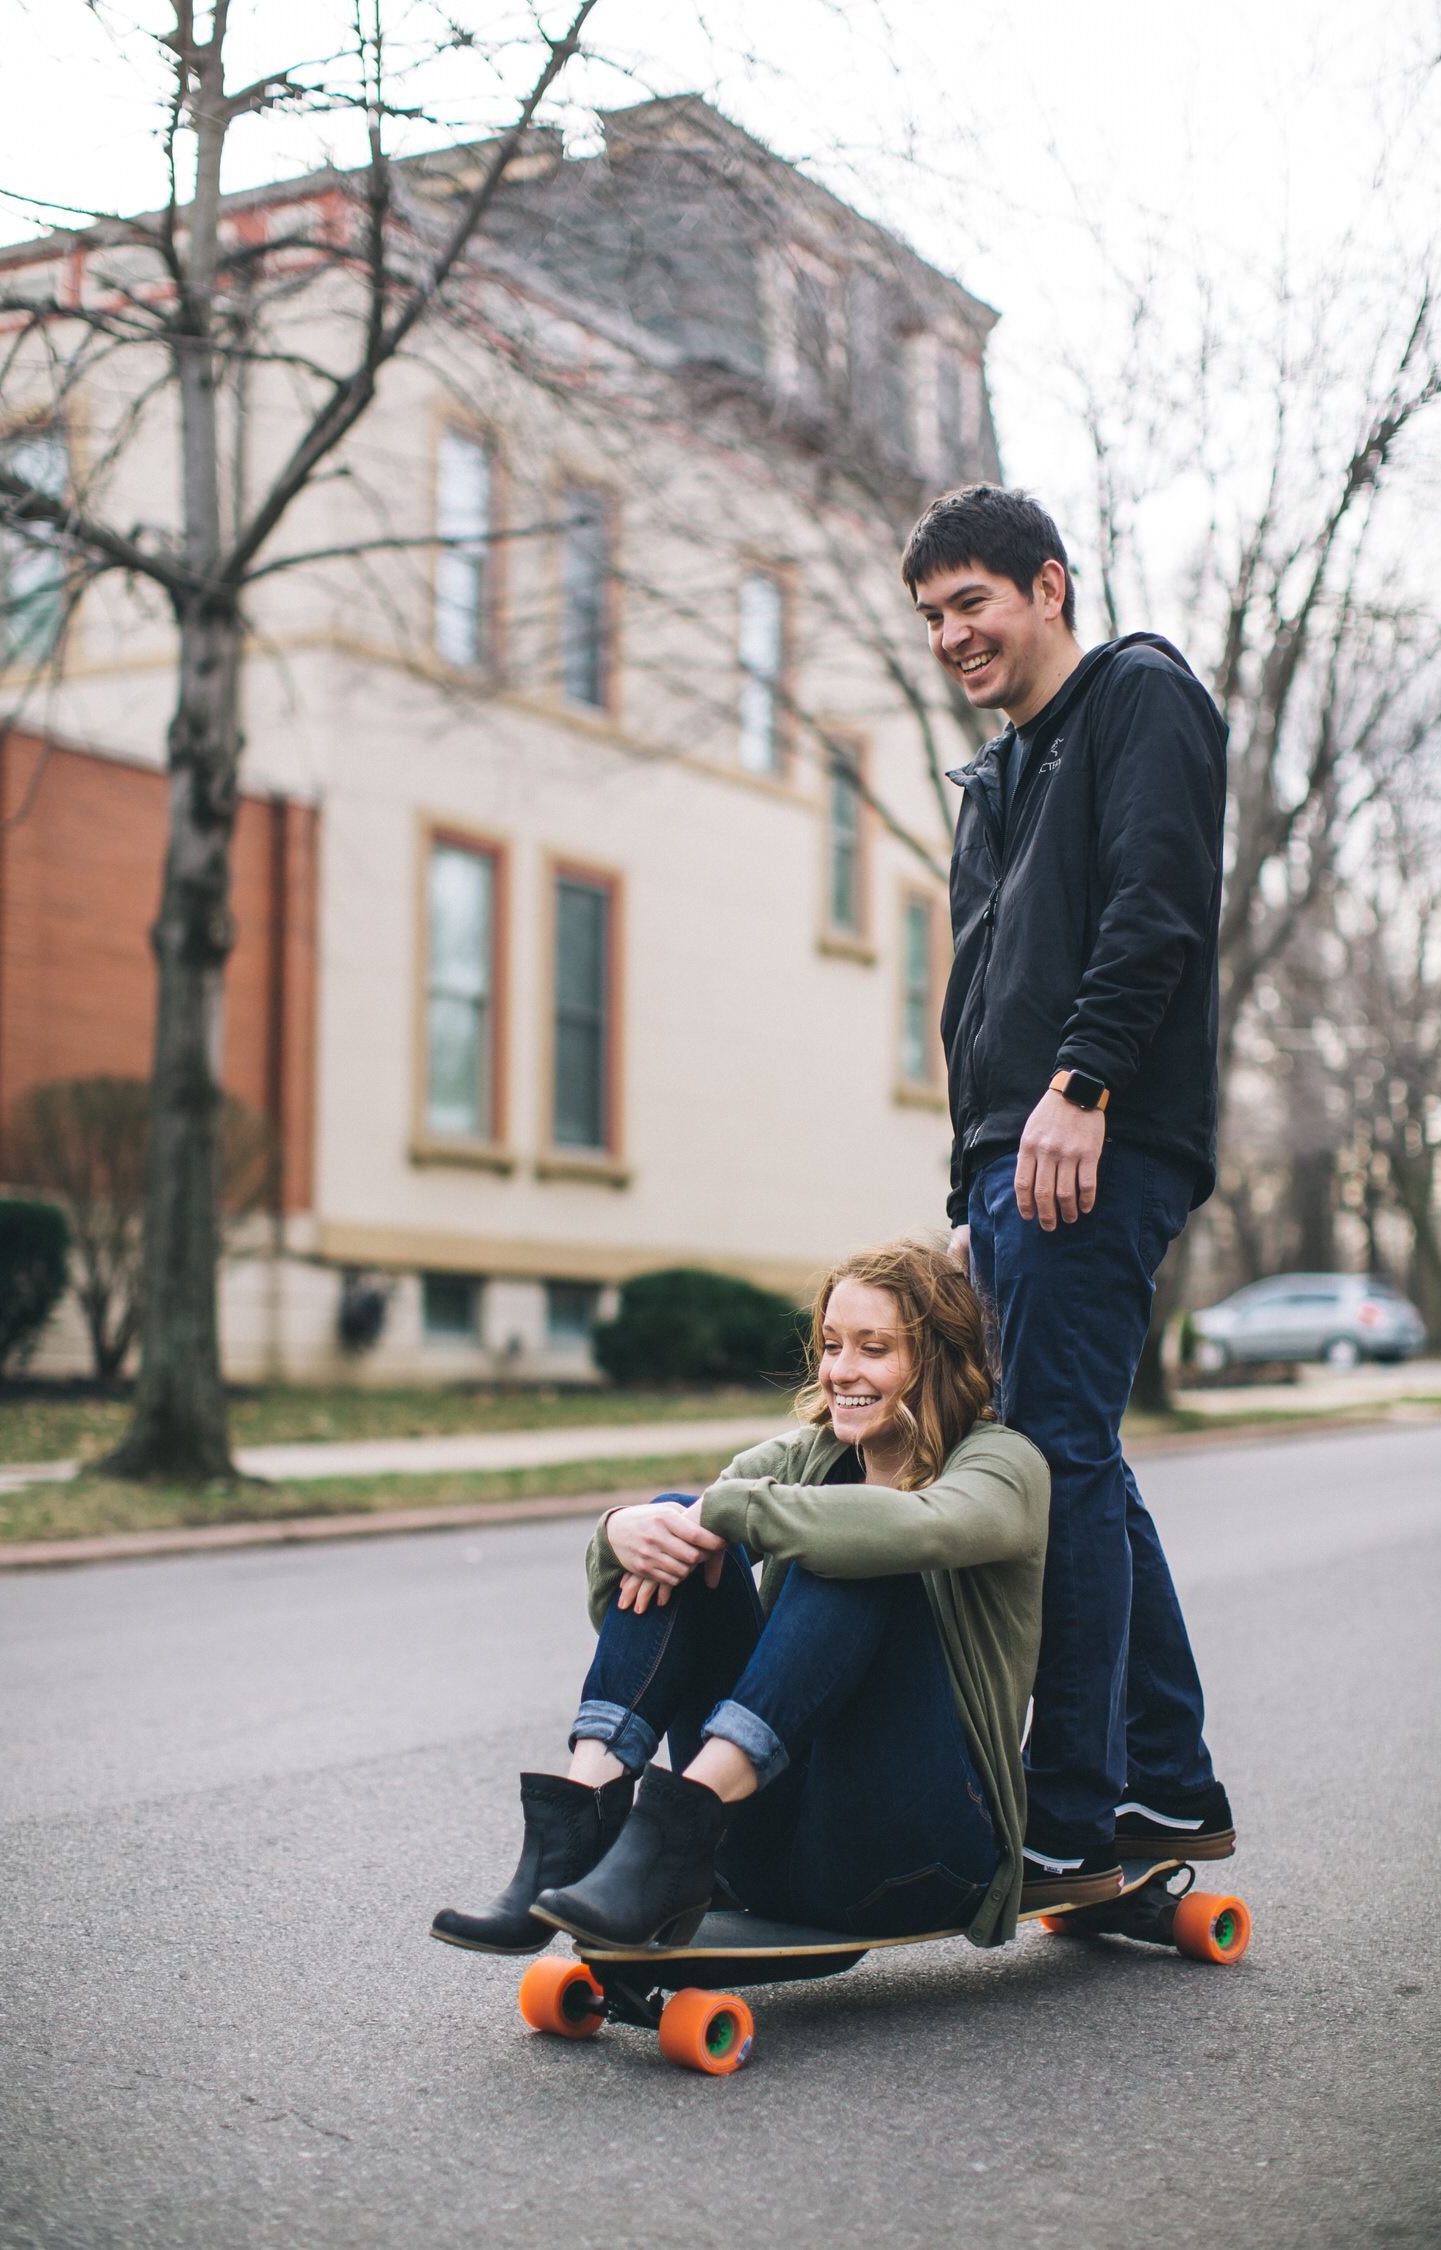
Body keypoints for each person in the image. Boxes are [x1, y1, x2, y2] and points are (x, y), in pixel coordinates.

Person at [901, 483, 1236, 1906]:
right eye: (929, 616)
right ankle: (1167, 1785)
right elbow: (983, 992)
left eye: (970, 602)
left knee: (1054, 1463)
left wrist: (1081, 1084)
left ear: (1047, 586)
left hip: (1089, 1136)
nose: (950, 635)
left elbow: (1157, 904)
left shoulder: (1138, 697)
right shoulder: (1002, 772)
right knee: (1077, 1453)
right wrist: (970, 1173)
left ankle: (1073, 1814)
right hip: (1014, 1153)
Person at [431, 1240, 1055, 1958]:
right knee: (681, 1526)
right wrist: (622, 1533)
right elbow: (661, 1604)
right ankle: (577, 1829)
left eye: (874, 1349)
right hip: (762, 1847)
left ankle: (674, 1830)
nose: (842, 1371)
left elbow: (927, 1528)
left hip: (915, 1858)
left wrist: (723, 1513)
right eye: (831, 1345)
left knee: (855, 1544)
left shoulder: (1004, 1462)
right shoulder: (812, 1453)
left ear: (939, 1355)